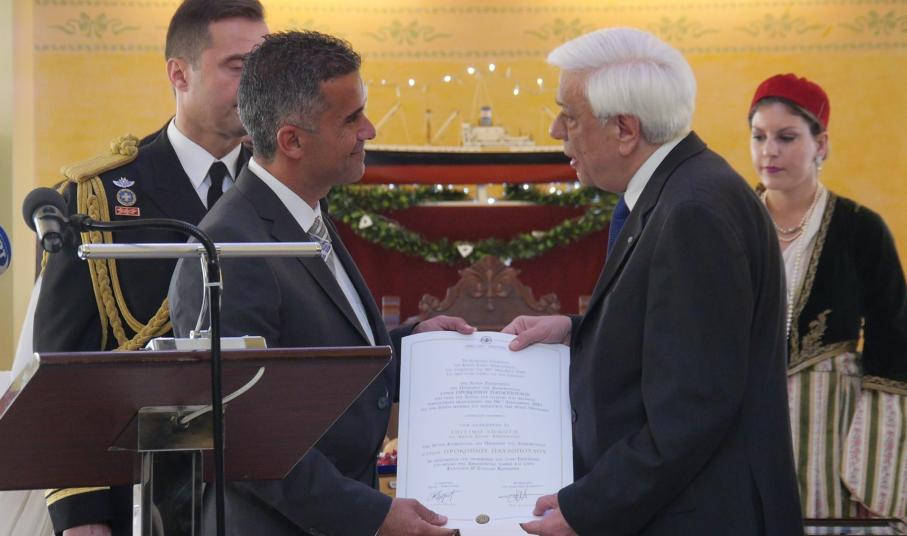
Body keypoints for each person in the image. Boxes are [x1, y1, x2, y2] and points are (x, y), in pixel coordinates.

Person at [168, 30, 473, 536]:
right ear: (291, 140)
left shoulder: (304, 213)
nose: (370, 130)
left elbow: (317, 354)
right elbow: (246, 433)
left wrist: (411, 347)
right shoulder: (230, 249)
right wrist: (371, 515)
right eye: (351, 119)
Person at [502, 28, 804, 535]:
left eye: (569, 116)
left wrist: (587, 508)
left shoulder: (692, 210)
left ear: (625, 129)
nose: (556, 130)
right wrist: (577, 331)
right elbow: (683, 340)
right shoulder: (683, 189)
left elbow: (692, 407)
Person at [31, 1, 268, 534]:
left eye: (263, 68)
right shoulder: (101, 196)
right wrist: (81, 515)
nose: (256, 86)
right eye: (237, 67)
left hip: (264, 495)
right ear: (179, 74)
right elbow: (63, 367)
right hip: (138, 496)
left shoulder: (277, 186)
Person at [748, 73, 907, 519]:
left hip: (831, 428)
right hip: (743, 422)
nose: (769, 151)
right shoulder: (730, 225)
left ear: (820, 143)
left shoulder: (860, 228)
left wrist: (875, 469)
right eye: (759, 136)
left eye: (786, 137)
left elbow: (894, 348)